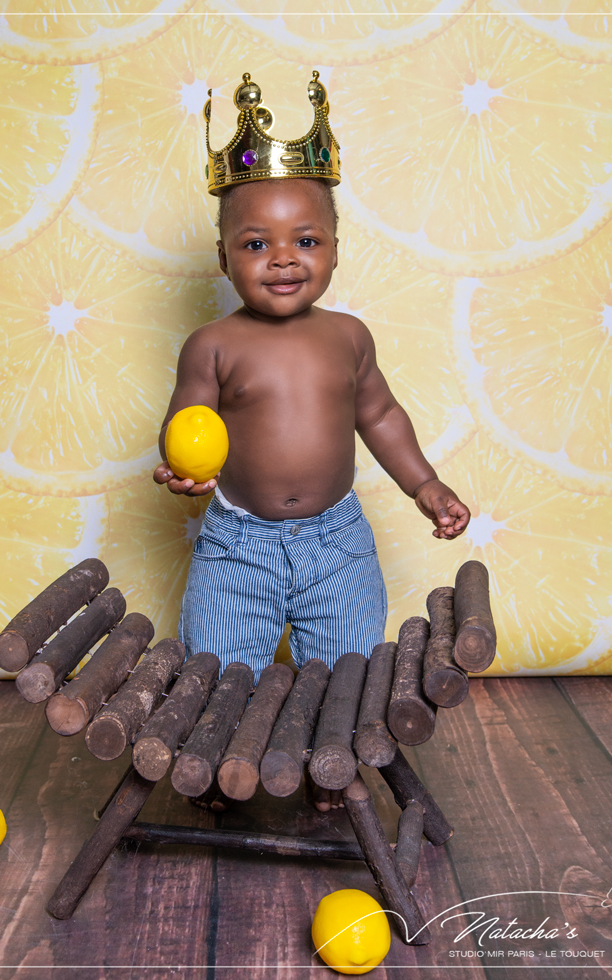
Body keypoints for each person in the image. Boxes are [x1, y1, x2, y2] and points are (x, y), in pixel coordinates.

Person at [153, 73, 470, 807]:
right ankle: (215, 771)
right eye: (257, 243)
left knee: (347, 668)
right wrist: (179, 468)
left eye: (305, 240)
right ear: (222, 256)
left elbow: (382, 415)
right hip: (239, 548)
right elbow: (186, 424)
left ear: (334, 248)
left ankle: (331, 773)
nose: (284, 258)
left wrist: (426, 484)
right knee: (219, 666)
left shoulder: (349, 337)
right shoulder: (212, 344)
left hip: (338, 545)